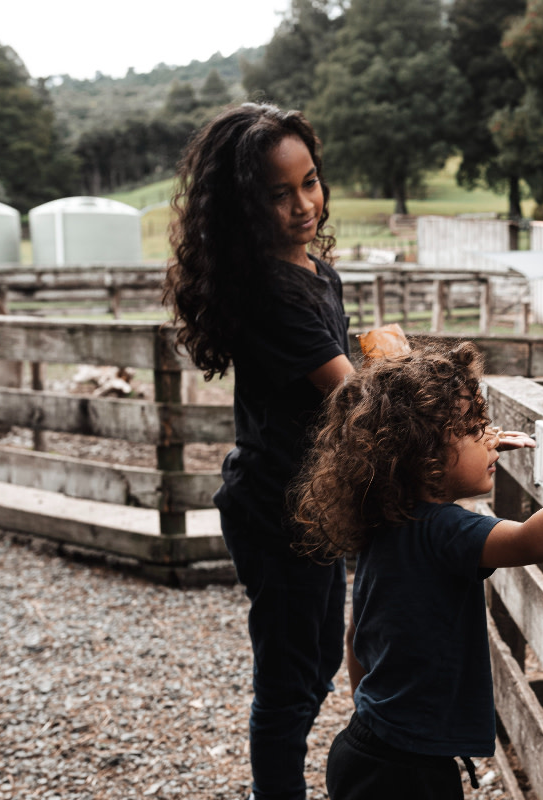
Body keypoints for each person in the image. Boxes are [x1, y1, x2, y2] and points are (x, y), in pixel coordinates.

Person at [294, 342, 543, 799]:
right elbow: (532, 540)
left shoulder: (387, 521)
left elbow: (354, 637)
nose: (489, 436)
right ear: (424, 454)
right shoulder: (446, 530)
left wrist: (473, 447)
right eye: (474, 429)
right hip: (410, 771)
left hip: (367, 744)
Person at [162, 102, 355, 800]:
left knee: (317, 660)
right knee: (287, 684)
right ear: (246, 205)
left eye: (309, 181)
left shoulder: (314, 275)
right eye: (279, 193)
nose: (303, 203)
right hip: (277, 507)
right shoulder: (270, 294)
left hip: (315, 501)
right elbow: (349, 393)